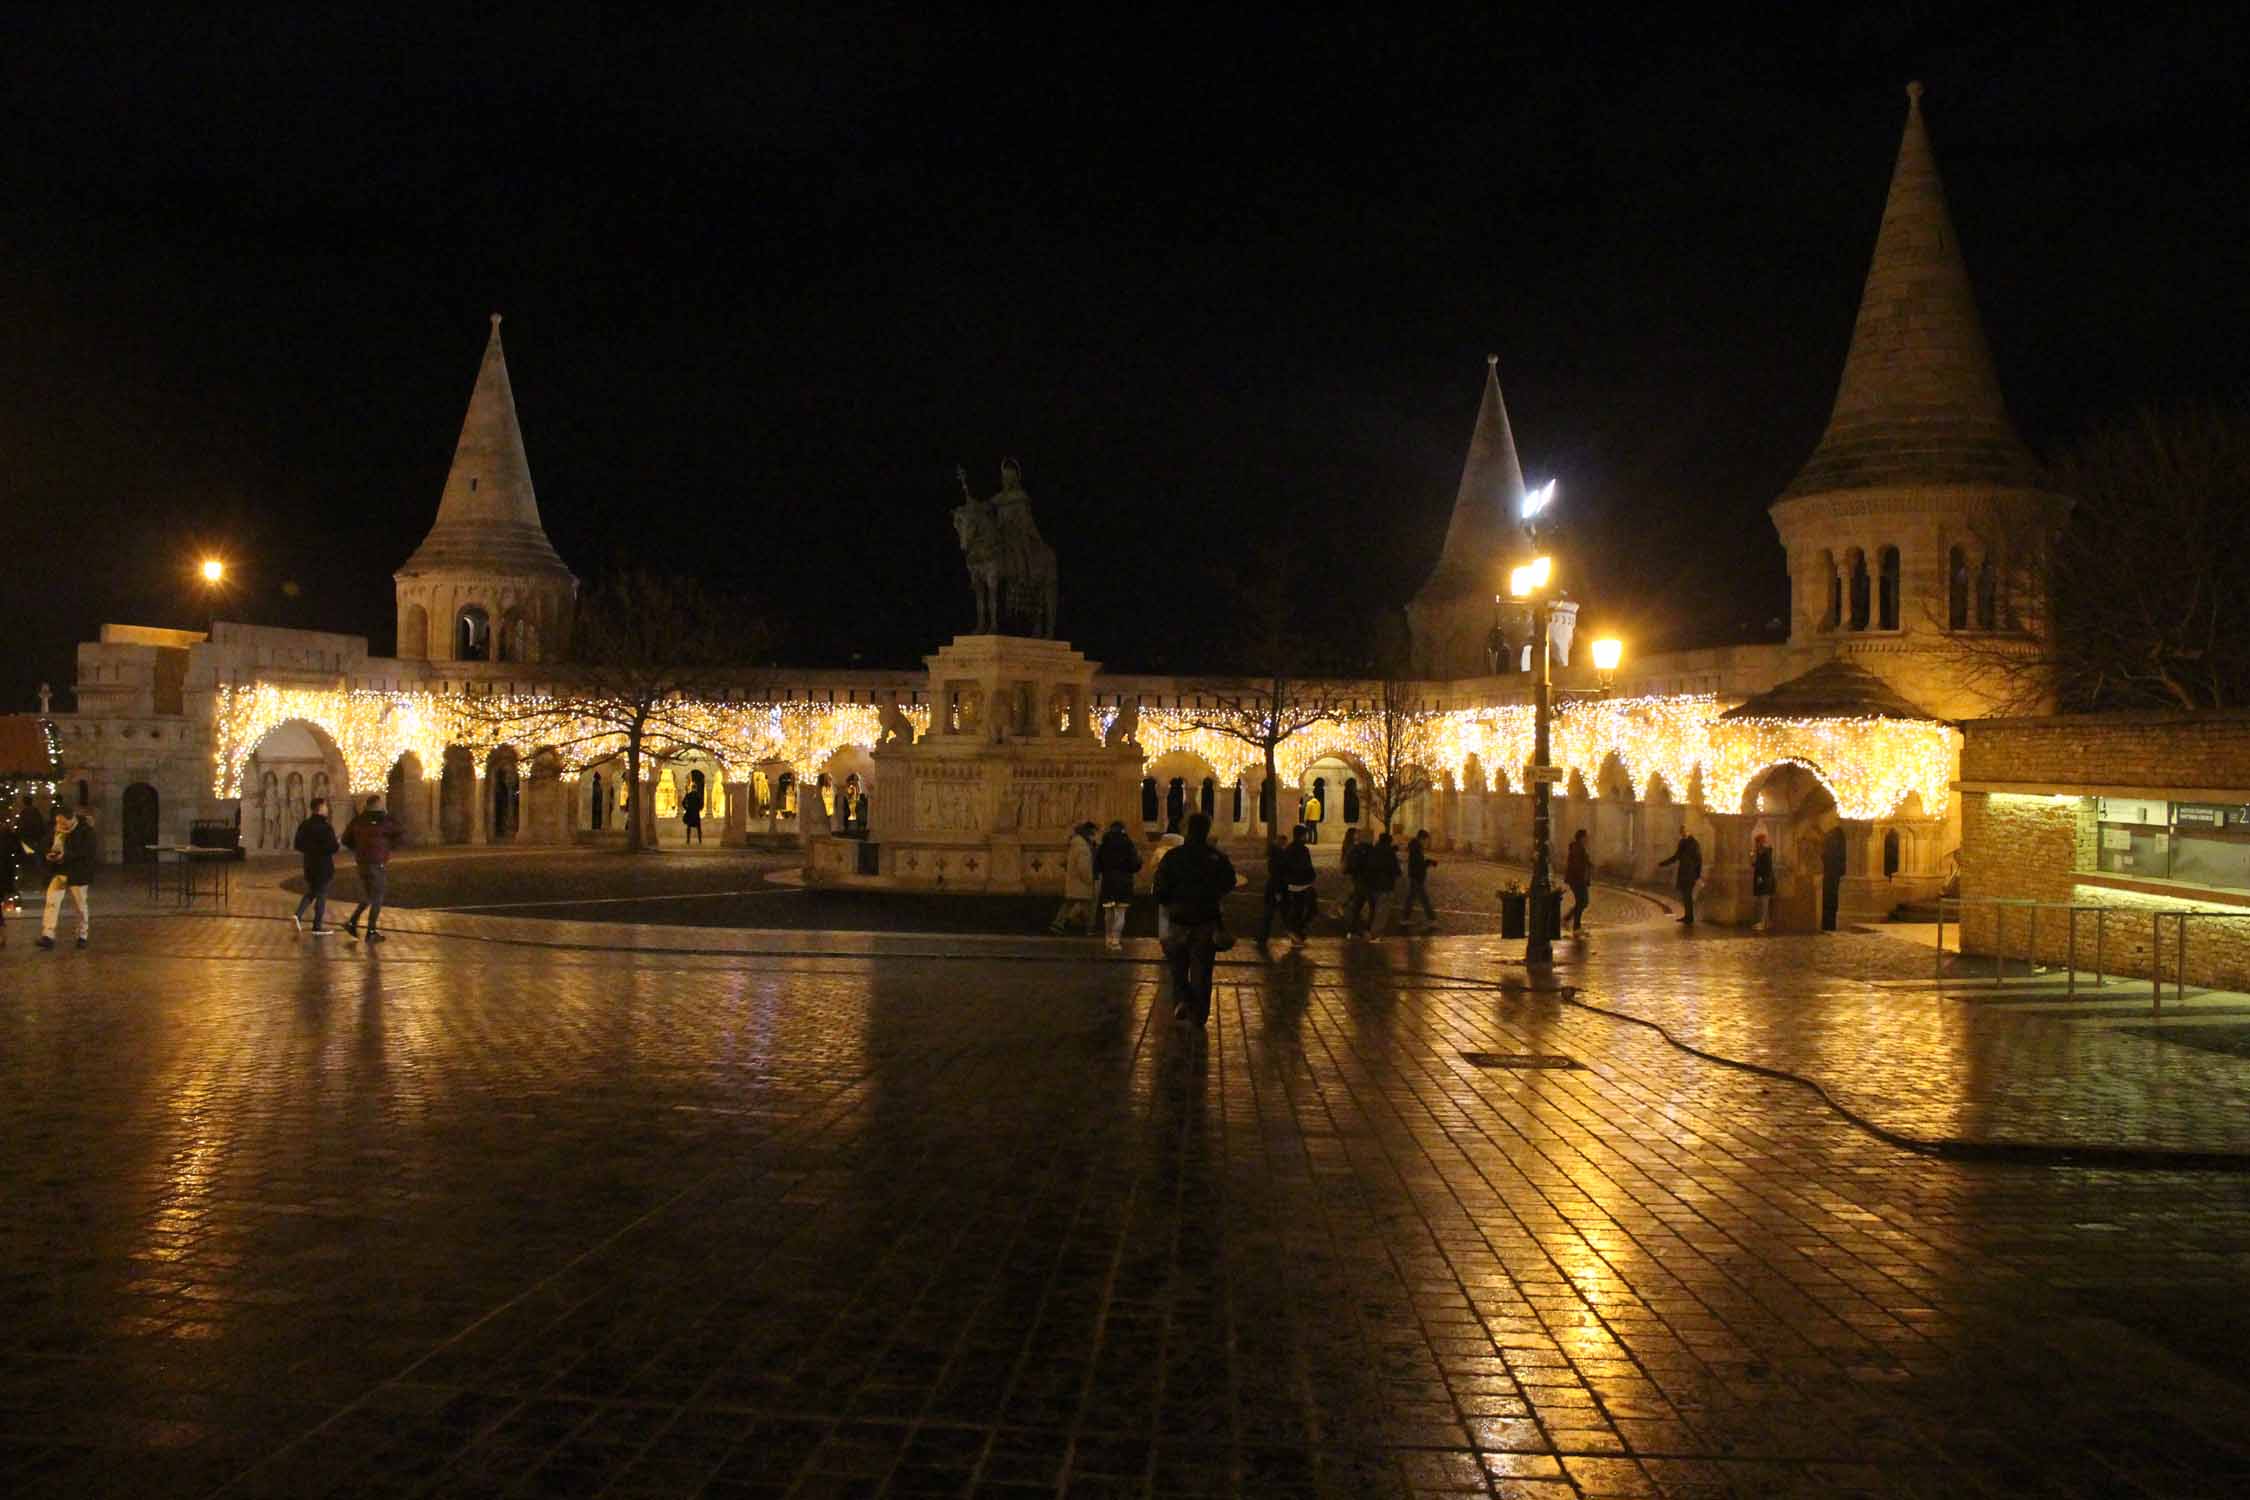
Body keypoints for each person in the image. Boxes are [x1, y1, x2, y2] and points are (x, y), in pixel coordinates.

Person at [1153, 811, 1237, 1026]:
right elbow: (1229, 882)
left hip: (1178, 918)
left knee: (1177, 965)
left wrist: (1170, 902)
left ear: (1186, 829)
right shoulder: (1216, 857)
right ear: (1207, 830)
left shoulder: (1173, 857)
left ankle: (1182, 999)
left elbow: (1160, 888)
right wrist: (1213, 895)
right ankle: (1199, 1014)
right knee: (1202, 969)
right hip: (1206, 919)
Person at [341, 795, 405, 943]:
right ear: (379, 805)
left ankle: (352, 922)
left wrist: (358, 848)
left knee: (368, 896)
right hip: (376, 862)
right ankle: (371, 931)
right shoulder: (384, 820)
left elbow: (345, 839)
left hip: (362, 862)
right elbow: (400, 830)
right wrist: (389, 847)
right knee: (377, 897)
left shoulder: (358, 820)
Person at [37, 806, 95, 950]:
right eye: (58, 821)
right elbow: (44, 845)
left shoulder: (85, 830)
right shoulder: (55, 830)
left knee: (80, 905)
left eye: (63, 822)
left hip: (77, 873)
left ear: (72, 819)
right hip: (58, 871)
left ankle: (82, 936)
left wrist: (66, 855)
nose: (60, 825)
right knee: (52, 902)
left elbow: (87, 851)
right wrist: (47, 854)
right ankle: (48, 935)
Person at [292, 796, 341, 935]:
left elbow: (298, 844)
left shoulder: (305, 825)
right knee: (321, 894)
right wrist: (335, 842)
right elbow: (332, 847)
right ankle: (317, 925)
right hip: (323, 865)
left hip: (309, 863)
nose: (327, 809)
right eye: (325, 806)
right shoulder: (326, 827)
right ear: (320, 808)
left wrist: (311, 849)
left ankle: (298, 915)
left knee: (313, 890)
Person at [1094, 819, 1142, 950]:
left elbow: (1097, 864)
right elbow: (1135, 865)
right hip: (1124, 882)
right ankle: (1116, 940)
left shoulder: (1104, 844)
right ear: (1123, 829)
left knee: (1108, 912)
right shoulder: (1128, 844)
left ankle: (1107, 938)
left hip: (1108, 882)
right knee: (1120, 913)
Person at [1051, 820, 1097, 936]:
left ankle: (1058, 924)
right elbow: (1084, 867)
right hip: (1081, 883)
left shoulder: (1076, 844)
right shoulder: (1083, 847)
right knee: (1085, 906)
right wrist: (1089, 879)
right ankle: (1083, 927)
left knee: (1069, 904)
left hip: (1074, 882)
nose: (1094, 836)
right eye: (1093, 833)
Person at [1279, 824, 1316, 944]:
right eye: (1305, 834)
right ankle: (1295, 930)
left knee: (1300, 908)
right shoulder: (1301, 849)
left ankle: (1297, 931)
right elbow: (1305, 865)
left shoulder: (1291, 849)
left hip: (1297, 882)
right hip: (1300, 883)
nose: (1306, 836)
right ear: (1301, 836)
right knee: (1304, 908)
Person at [1657, 829, 1703, 925]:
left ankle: (1689, 917)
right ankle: (1688, 916)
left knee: (1688, 895)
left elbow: (1698, 860)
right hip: (1684, 872)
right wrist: (1664, 863)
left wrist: (1697, 875)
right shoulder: (1683, 843)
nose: (1682, 834)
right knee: (1685, 896)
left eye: (1684, 832)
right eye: (1681, 832)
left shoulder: (1694, 844)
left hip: (1690, 873)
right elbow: (1676, 856)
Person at [1364, 830, 1401, 935]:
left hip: (1372, 885)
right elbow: (1395, 869)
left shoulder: (1373, 850)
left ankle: (1368, 930)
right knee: (1382, 912)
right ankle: (1375, 934)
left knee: (1373, 910)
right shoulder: (1389, 853)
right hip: (1385, 886)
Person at [1256, 830, 1288, 947]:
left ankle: (1261, 937)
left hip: (1272, 887)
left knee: (1269, 914)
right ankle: (1294, 934)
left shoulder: (1273, 854)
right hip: (1277, 888)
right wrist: (1279, 891)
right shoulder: (1279, 855)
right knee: (1281, 913)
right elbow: (1278, 874)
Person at [1404, 829, 1439, 932]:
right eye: (1426, 840)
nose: (1426, 842)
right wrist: (1429, 862)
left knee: (1411, 898)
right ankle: (1432, 919)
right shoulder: (1416, 848)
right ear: (1421, 838)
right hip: (1417, 877)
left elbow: (1417, 863)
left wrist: (1427, 862)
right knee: (1424, 899)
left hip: (1415, 876)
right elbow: (1418, 864)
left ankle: (1404, 918)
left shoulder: (1415, 847)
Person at [1339, 826, 1372, 936]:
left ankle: (1352, 928)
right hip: (1361, 879)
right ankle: (1362, 929)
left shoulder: (1355, 847)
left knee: (1357, 899)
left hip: (1358, 878)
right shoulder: (1355, 847)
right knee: (1364, 901)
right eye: (1356, 833)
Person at [1563, 829, 1592, 936]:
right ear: (1582, 838)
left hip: (1577, 879)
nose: (1588, 839)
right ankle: (1575, 926)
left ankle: (1570, 922)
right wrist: (1582, 878)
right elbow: (1577, 865)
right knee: (1583, 901)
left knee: (1582, 902)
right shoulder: (1577, 848)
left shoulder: (1579, 848)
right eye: (1586, 837)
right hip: (1577, 880)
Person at [1751, 832, 1776, 933]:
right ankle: (1766, 922)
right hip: (1764, 878)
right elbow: (1756, 865)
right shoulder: (1761, 852)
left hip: (1765, 879)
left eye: (1758, 842)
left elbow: (1765, 867)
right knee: (1763, 901)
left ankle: (1763, 923)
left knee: (1764, 902)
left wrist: (1761, 877)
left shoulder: (1765, 852)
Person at [680, 775, 705, 845]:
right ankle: (700, 840)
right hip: (696, 813)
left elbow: (683, 802)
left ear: (691, 788)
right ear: (696, 788)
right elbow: (702, 803)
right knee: (698, 827)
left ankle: (688, 840)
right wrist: (699, 809)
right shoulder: (698, 795)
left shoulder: (688, 795)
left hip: (690, 813)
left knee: (689, 827)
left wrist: (686, 808)